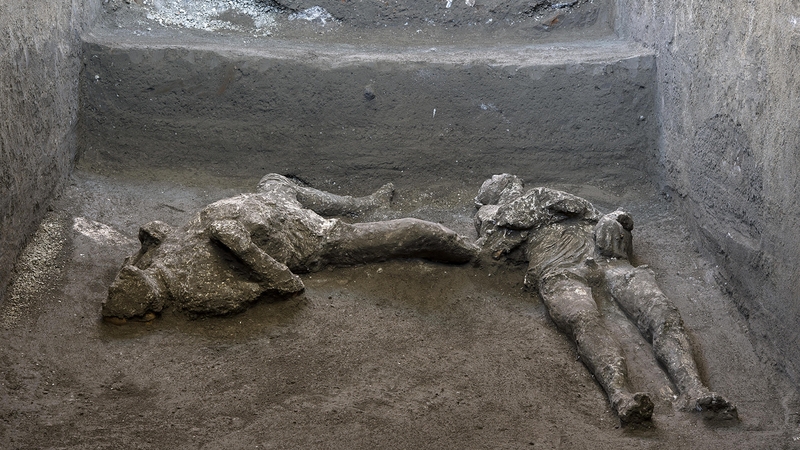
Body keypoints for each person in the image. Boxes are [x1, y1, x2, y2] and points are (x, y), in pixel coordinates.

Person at [474, 173, 737, 425]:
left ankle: (694, 389)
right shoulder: (492, 216)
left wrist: (615, 219)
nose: (502, 179)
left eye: (507, 179)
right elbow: (487, 251)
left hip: (608, 260)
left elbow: (608, 216)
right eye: (495, 182)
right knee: (584, 321)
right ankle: (620, 395)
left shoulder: (554, 198)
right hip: (558, 271)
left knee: (662, 313)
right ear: (486, 199)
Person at [103, 174, 477, 322]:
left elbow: (154, 233)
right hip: (309, 237)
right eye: (142, 278)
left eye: (136, 271)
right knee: (415, 231)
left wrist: (149, 244)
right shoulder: (197, 295)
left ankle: (361, 204)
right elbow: (288, 286)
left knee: (276, 180)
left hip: (269, 204)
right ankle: (481, 252)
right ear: (153, 300)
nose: (141, 271)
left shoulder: (154, 264)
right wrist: (243, 248)